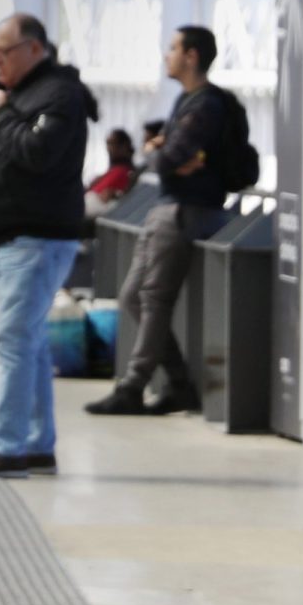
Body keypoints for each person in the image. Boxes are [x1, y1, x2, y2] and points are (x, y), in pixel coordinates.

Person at [0, 14, 94, 478]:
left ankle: (7, 446)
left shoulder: (59, 93)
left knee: (12, 341)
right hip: (15, 237)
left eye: (3, 51)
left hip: (36, 237)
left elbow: (37, 152)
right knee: (29, 344)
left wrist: (4, 113)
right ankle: (36, 443)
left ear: (34, 48)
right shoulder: (19, 93)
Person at [85, 27, 231, 416]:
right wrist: (162, 152)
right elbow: (168, 158)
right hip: (167, 204)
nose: (166, 55)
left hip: (185, 209)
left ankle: (134, 385)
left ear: (192, 56)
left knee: (152, 297)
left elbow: (166, 158)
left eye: (173, 48)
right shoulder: (187, 101)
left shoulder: (205, 107)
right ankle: (179, 383)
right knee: (134, 295)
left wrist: (158, 151)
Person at [85, 128, 138, 217]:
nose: (109, 148)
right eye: (108, 144)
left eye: (112, 144)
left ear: (124, 146)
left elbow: (130, 196)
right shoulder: (108, 172)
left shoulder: (130, 174)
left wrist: (117, 194)